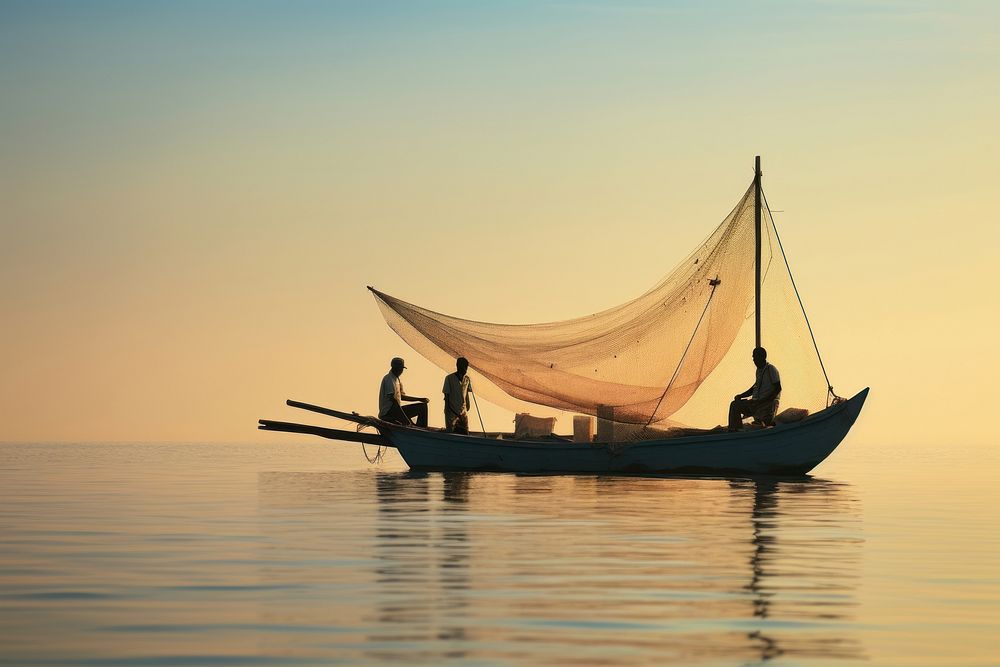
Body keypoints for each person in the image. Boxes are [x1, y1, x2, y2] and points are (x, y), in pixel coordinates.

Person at [729, 347, 781, 431]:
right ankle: (735, 429)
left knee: (761, 421)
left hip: (767, 404)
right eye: (753, 358)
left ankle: (759, 422)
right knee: (735, 405)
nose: (754, 360)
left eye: (755, 357)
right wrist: (740, 396)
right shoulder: (759, 371)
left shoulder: (771, 369)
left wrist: (765, 401)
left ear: (762, 357)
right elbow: (754, 388)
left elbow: (778, 388)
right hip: (756, 402)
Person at [378, 357, 429, 427]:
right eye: (400, 369)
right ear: (395, 368)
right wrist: (405, 420)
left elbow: (402, 397)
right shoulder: (389, 379)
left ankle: (421, 428)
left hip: (396, 411)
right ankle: (418, 429)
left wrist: (419, 399)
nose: (402, 371)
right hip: (388, 413)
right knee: (419, 410)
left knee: (422, 406)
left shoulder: (397, 380)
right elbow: (394, 401)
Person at [442, 357, 473, 434]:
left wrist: (467, 407)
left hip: (463, 413)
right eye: (463, 366)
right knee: (452, 433)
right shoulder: (449, 378)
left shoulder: (467, 379)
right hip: (452, 413)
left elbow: (466, 395)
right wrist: (448, 411)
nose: (465, 369)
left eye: (466, 367)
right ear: (457, 366)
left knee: (465, 433)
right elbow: (447, 397)